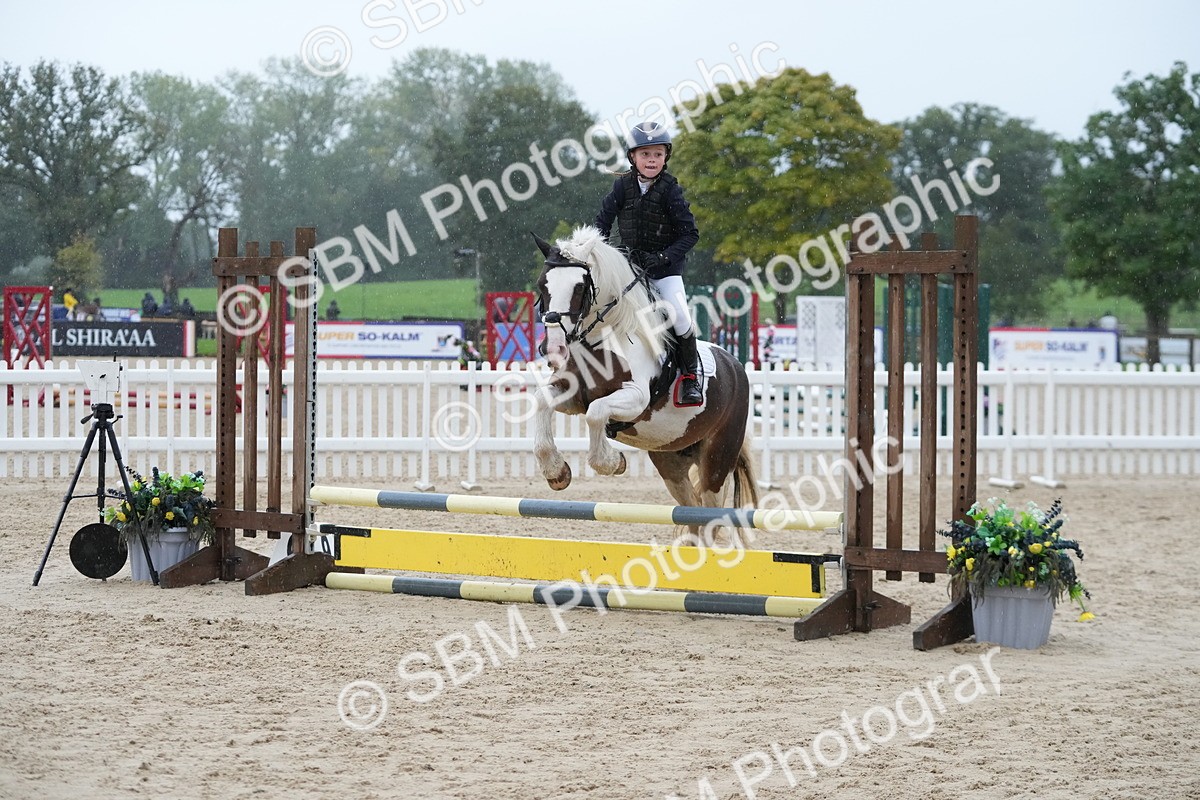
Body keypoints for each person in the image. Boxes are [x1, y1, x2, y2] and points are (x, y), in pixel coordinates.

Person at [594, 120, 703, 404]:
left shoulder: (670, 189)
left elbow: (690, 233)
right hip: (629, 269)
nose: (651, 160)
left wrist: (663, 257)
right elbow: (601, 224)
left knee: (679, 315)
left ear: (665, 157)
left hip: (664, 270)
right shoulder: (622, 187)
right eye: (645, 154)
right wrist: (604, 257)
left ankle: (691, 377)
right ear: (632, 157)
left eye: (657, 154)